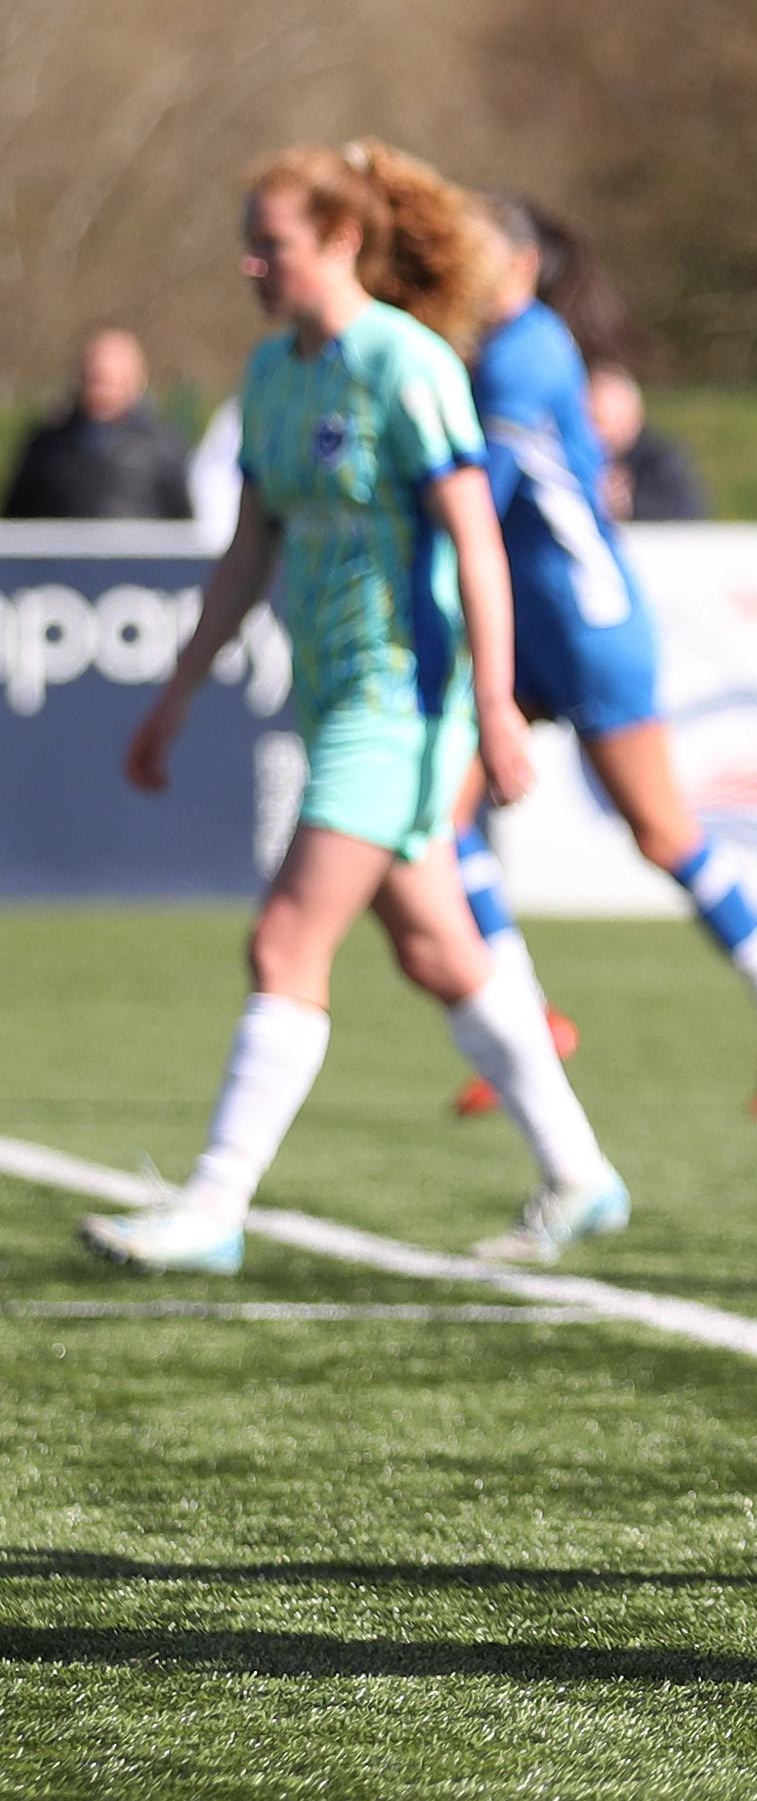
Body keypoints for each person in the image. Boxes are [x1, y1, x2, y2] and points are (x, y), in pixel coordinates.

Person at [79, 142, 626, 1276]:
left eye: (269, 244)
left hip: (399, 702)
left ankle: (213, 1205)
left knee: (286, 938)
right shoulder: (272, 374)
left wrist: (492, 702)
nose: (249, 263)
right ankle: (581, 1175)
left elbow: (476, 539)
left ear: (340, 241)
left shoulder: (405, 363)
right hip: (332, 699)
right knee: (438, 950)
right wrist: (175, 697)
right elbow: (247, 553)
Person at [445, 200, 757, 1124]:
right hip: (529, 621)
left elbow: (482, 493)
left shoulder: (523, 351)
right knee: (441, 819)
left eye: (473, 251)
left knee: (664, 832)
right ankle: (525, 1019)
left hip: (585, 621)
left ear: (519, 265)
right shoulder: (492, 350)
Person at [7, 326, 191, 520]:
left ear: (136, 379)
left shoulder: (163, 447)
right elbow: (18, 517)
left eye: (110, 378)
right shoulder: (47, 447)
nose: (101, 385)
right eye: (95, 376)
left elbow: (184, 520)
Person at [586, 365, 710, 522]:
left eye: (616, 418)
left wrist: (631, 507)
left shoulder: (661, 463)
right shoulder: (575, 458)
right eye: (595, 419)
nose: (605, 430)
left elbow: (688, 513)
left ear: (637, 416)